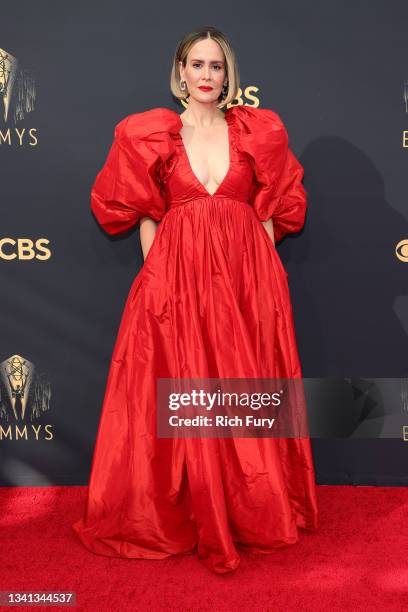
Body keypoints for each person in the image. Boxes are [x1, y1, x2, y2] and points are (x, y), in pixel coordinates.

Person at [72, 26, 319, 574]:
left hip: (245, 284)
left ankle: (251, 511)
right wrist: (159, 279)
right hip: (176, 281)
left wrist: (258, 266)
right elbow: (144, 214)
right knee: (180, 393)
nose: (207, 76)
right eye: (197, 65)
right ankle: (187, 511)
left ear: (228, 76)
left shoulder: (259, 129)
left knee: (243, 388)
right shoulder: (152, 134)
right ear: (180, 72)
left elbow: (276, 203)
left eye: (217, 67)